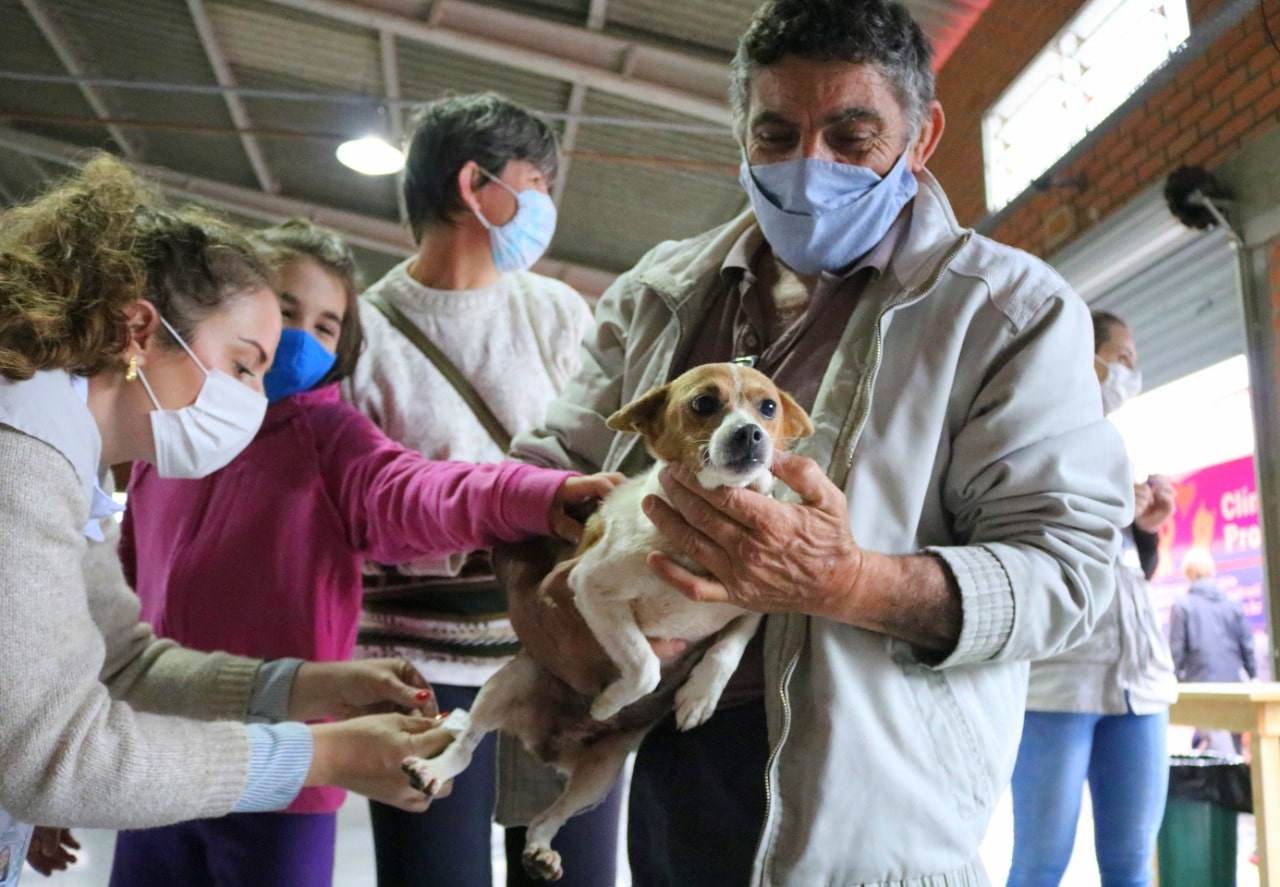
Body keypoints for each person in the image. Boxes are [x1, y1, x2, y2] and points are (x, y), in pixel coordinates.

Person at [487, 1, 1133, 884]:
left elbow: (1068, 577)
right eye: (777, 133)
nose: (808, 166)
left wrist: (847, 581)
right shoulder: (661, 291)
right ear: (741, 134)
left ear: (923, 133)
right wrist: (543, 610)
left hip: (874, 786)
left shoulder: (1008, 313)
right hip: (671, 750)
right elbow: (534, 476)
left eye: (851, 136)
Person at [105, 219, 618, 887]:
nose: (296, 337)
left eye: (325, 325)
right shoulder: (169, 437)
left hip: (286, 770)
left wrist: (536, 496)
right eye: (285, 310)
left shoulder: (329, 438)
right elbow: (118, 609)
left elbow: (422, 490)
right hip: (156, 763)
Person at [0, 156, 459, 887]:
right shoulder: (20, 461)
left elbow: (125, 663)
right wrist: (320, 754)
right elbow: (59, 757)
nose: (253, 398)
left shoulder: (66, 460)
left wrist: (305, 686)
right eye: (243, 367)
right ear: (140, 331)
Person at [340, 93, 619, 886]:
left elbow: (605, 468)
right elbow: (361, 514)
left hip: (562, 661)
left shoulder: (558, 313)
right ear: (475, 186)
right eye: (536, 182)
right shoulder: (365, 335)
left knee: (570, 874)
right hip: (418, 678)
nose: (545, 206)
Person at [1007, 310, 1178, 887]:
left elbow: (1130, 568)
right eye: (1123, 358)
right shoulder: (1034, 433)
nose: (1132, 371)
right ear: (1090, 359)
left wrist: (1146, 527)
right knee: (1040, 863)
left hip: (1139, 682)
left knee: (1131, 864)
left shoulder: (1119, 444)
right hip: (1059, 682)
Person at [1170, 547, 1258, 755]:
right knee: (1233, 749)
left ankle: (1227, 786)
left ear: (1188, 574)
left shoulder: (1182, 605)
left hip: (1202, 689)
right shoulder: (1232, 604)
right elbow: (1247, 644)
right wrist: (1253, 675)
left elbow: (1176, 652)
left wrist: (1174, 681)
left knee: (1221, 751)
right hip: (1234, 688)